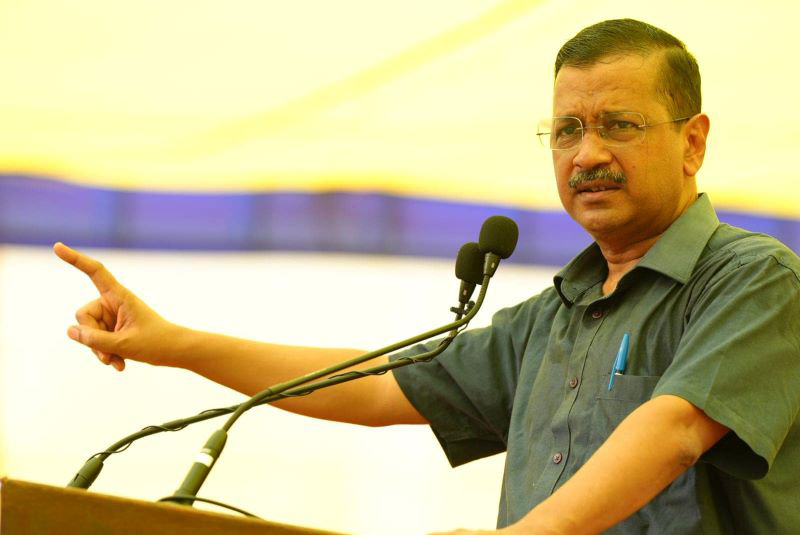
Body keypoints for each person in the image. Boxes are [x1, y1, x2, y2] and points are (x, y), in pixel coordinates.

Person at [54, 18, 800, 534]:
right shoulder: (553, 316)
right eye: (567, 130)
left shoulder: (754, 278)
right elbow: (380, 387)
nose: (586, 154)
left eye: (619, 125)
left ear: (693, 142)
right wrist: (173, 343)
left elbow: (675, 427)